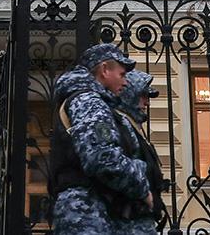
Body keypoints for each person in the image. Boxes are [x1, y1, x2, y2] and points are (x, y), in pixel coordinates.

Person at [49, 43, 151, 235]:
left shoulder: (87, 99)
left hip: (86, 211)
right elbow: (102, 158)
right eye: (121, 74)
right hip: (86, 214)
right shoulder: (89, 101)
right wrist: (142, 186)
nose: (127, 82)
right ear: (105, 70)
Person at [113, 70, 167, 235]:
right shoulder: (121, 125)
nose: (147, 103)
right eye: (143, 96)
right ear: (130, 95)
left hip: (139, 218)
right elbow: (117, 168)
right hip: (129, 221)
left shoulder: (132, 126)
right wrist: (148, 198)